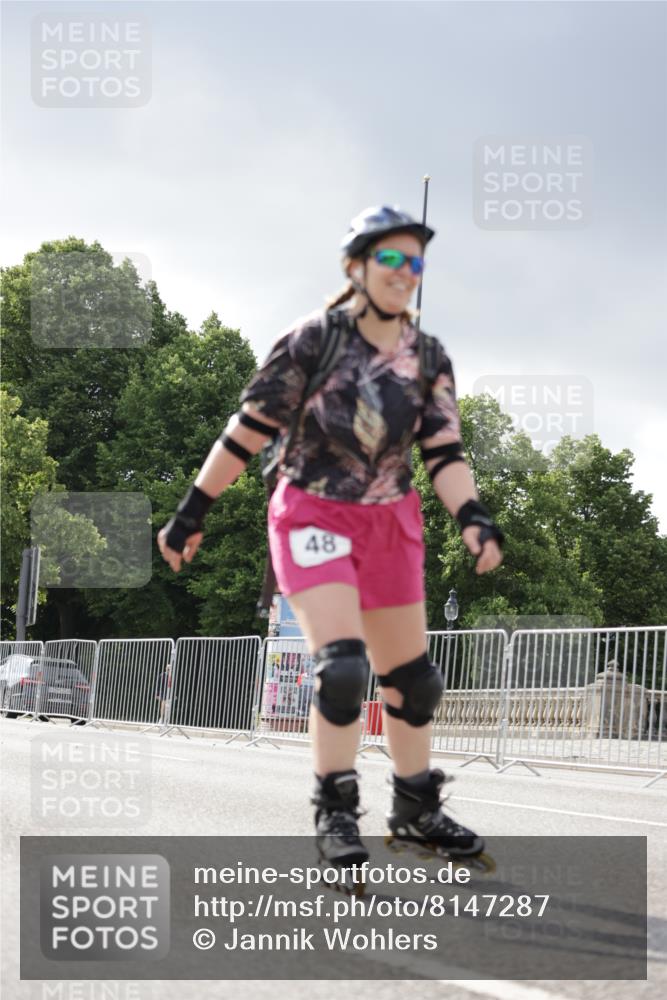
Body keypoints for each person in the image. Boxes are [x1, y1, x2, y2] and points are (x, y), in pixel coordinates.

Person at [157, 205, 504, 868]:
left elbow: (444, 452)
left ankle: (415, 808)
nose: (406, 273)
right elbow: (247, 431)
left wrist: (473, 518)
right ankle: (336, 812)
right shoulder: (311, 340)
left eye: (416, 262)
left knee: (414, 680)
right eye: (392, 259)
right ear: (357, 266)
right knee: (343, 670)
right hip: (313, 513)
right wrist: (192, 509)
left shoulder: (428, 357)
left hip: (391, 522)